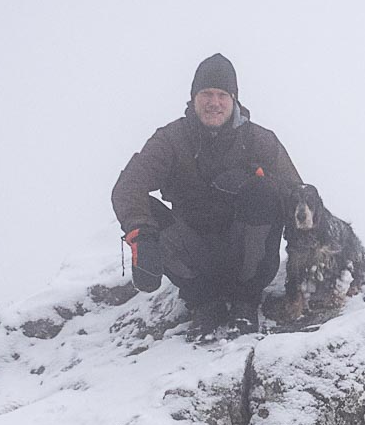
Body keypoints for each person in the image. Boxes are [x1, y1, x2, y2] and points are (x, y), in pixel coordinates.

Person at [111, 54, 303, 335]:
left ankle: (245, 302)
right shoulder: (171, 139)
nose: (214, 102)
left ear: (234, 99)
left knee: (264, 193)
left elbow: (297, 193)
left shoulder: (260, 140)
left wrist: (256, 179)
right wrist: (141, 236)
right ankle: (204, 304)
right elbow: (129, 185)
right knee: (146, 213)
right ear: (193, 98)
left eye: (222, 95)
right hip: (195, 254)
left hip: (246, 256)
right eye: (207, 94)